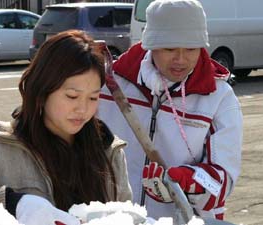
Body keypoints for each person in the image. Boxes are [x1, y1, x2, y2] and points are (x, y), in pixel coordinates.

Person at [0, 30, 132, 225]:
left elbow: (126, 215)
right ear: (42, 91)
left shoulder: (109, 151)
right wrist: (12, 204)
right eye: (72, 96)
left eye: (93, 97)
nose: (83, 109)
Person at [97, 0, 243, 221]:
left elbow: (223, 181)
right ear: (150, 43)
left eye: (191, 49)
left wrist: (187, 181)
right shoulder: (110, 86)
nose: (181, 59)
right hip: (113, 217)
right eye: (169, 48)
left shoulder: (218, 98)